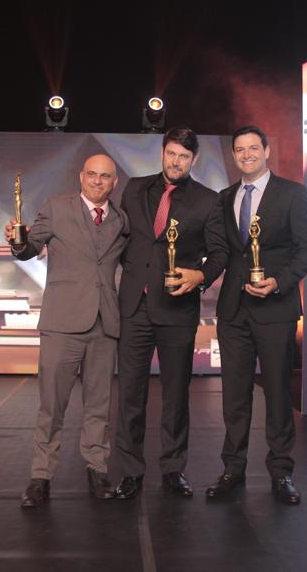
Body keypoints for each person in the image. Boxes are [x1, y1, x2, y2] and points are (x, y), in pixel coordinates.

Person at [6, 154, 129, 508]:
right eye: (92, 174)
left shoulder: (121, 220)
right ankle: (41, 476)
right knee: (52, 405)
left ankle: (97, 469)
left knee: (99, 406)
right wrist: (18, 240)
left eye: (105, 176)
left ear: (114, 182)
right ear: (81, 176)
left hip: (105, 323)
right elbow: (29, 249)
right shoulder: (57, 208)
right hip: (62, 324)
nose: (97, 181)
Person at [206, 125, 307, 505]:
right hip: (233, 311)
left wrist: (279, 282)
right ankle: (232, 469)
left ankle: (281, 471)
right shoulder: (225, 198)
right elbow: (222, 252)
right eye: (240, 149)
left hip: (275, 308)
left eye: (253, 148)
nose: (247, 155)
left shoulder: (292, 194)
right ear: (233, 155)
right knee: (234, 395)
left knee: (277, 392)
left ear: (266, 151)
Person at [113, 127, 228, 499]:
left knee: (176, 395)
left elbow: (220, 253)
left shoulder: (208, 200)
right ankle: (130, 471)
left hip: (177, 308)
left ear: (194, 160)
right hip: (134, 306)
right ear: (162, 152)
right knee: (130, 395)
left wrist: (200, 276)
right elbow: (122, 239)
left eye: (184, 156)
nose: (176, 162)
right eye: (171, 153)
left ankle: (173, 468)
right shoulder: (134, 188)